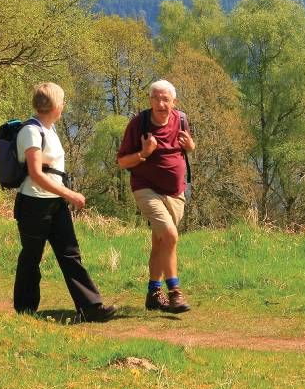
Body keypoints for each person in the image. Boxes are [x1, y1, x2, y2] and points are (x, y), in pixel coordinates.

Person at [13, 82, 116, 322]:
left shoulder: (50, 130)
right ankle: (25, 310)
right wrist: (69, 194)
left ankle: (91, 308)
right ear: (55, 105)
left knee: (70, 254)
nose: (64, 105)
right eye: (63, 101)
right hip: (33, 204)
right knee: (31, 256)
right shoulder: (31, 131)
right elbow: (36, 174)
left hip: (54, 203)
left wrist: (62, 196)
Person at [117, 79, 196, 313]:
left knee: (160, 242)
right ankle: (175, 293)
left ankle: (153, 293)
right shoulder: (138, 124)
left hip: (176, 192)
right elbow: (122, 162)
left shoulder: (181, 120)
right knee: (170, 235)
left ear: (174, 101)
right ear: (150, 100)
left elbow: (186, 148)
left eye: (166, 99)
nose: (161, 103)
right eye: (156, 98)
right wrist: (144, 153)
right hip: (145, 188)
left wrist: (191, 147)